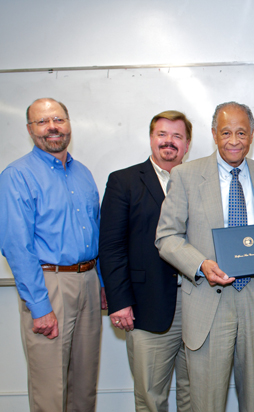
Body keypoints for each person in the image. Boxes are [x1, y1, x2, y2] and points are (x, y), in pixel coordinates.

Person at [155, 101, 254, 412]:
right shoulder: (186, 176)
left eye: (242, 132)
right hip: (208, 297)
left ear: (252, 135)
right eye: (227, 132)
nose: (234, 140)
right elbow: (166, 237)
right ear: (215, 135)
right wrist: (201, 265)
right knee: (207, 401)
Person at [0, 98, 106, 412]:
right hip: (50, 285)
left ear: (69, 124)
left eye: (58, 119)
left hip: (88, 281)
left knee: (84, 386)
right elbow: (16, 247)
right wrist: (39, 305)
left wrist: (100, 283)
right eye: (43, 122)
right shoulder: (16, 175)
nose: (52, 127)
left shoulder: (83, 173)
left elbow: (95, 232)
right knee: (51, 390)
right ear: (31, 130)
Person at [99, 110, 193, 412]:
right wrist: (119, 301)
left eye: (177, 136)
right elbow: (111, 247)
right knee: (151, 397)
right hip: (146, 304)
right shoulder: (123, 181)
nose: (169, 142)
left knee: (196, 395)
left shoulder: (199, 181)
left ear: (188, 143)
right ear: (151, 139)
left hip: (197, 303)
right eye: (162, 134)